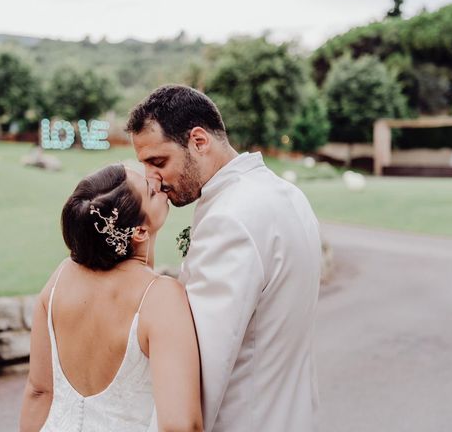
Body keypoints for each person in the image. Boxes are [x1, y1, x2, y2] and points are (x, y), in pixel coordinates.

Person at [127, 85, 322, 432]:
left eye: (159, 162)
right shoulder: (287, 194)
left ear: (199, 141)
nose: (152, 179)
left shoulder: (229, 220)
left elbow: (203, 370)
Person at [20, 164, 203, 432]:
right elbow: (181, 425)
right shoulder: (160, 298)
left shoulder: (60, 279)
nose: (156, 178)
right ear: (139, 231)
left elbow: (38, 391)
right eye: (151, 191)